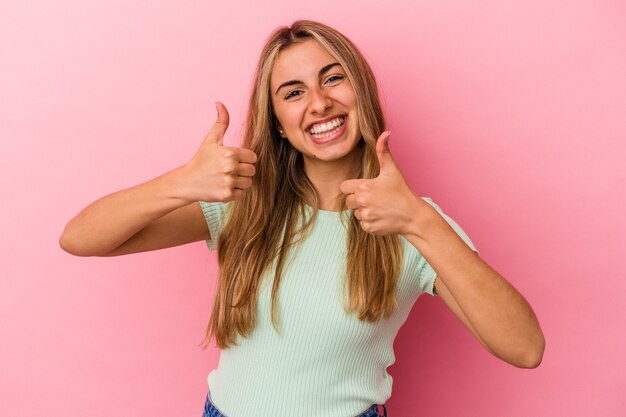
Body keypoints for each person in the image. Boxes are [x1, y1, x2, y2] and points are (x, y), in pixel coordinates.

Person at [60, 20, 545, 417]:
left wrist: (420, 221)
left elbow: (524, 348)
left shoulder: (414, 220)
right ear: (276, 121)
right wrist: (181, 182)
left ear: (361, 89)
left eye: (333, 78)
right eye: (293, 92)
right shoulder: (243, 202)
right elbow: (80, 238)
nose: (319, 103)